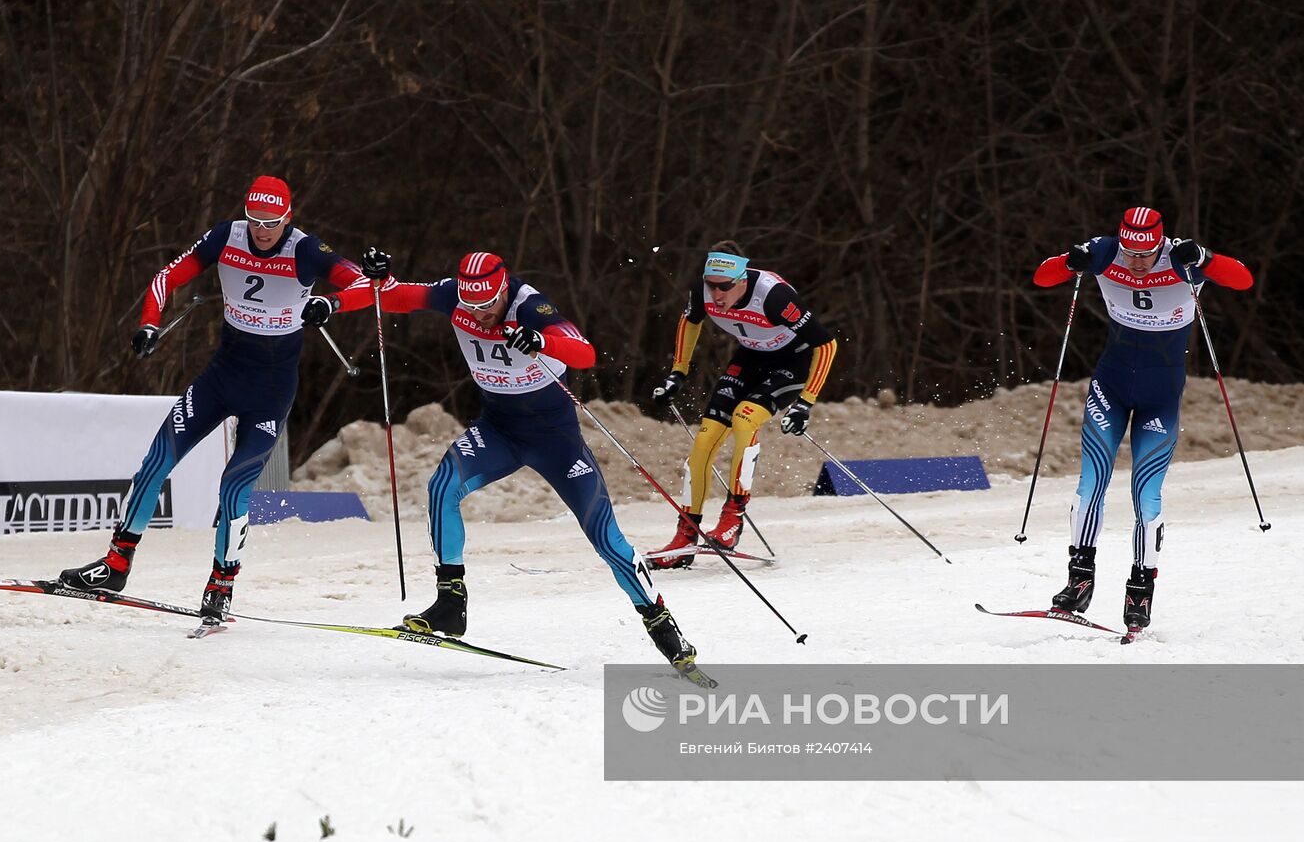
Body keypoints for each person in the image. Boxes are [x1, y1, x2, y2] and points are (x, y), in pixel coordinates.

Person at [316, 247, 711, 684]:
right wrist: (344, 296)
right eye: (471, 305)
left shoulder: (532, 306)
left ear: (503, 289)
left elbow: (584, 353)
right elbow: (391, 296)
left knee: (604, 535)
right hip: (499, 430)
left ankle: (665, 631)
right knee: (442, 486)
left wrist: (542, 340)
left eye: (487, 306)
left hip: (555, 441)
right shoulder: (456, 296)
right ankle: (450, 602)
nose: (479, 314)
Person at [57, 176, 369, 637]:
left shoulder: (304, 250)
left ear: (288, 217)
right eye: (255, 220)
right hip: (221, 379)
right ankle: (115, 564)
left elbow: (364, 285)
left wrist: (331, 303)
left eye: (272, 222)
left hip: (270, 392)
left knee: (233, 488)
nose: (262, 231)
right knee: (155, 462)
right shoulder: (228, 235)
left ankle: (220, 588)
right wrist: (148, 324)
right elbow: (167, 276)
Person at [1032, 206, 1253, 634]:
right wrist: (1068, 262)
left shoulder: (1183, 259)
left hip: (1160, 396)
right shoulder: (1103, 252)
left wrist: (1205, 259)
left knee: (1145, 495)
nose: (1135, 262)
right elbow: (1042, 277)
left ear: (1160, 244)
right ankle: (1080, 579)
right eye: (1129, 252)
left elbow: (1243, 278)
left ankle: (1140, 589)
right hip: (1110, 387)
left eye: (1145, 253)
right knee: (1090, 482)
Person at [649, 241, 837, 568]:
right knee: (705, 438)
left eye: (724, 287)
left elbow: (827, 345)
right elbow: (690, 322)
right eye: (711, 286)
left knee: (744, 419)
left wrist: (805, 402)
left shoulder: (774, 297)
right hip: (749, 360)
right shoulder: (704, 291)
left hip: (791, 364)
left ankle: (732, 520)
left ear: (743, 280)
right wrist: (677, 373)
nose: (717, 295)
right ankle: (685, 535)